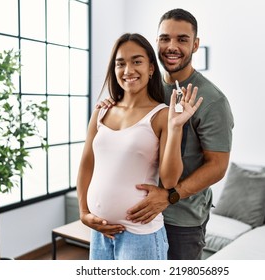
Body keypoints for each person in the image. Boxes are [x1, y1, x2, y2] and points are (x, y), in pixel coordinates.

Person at [97, 9, 234, 260]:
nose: (172, 46)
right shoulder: (147, 87)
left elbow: (218, 165)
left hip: (180, 221)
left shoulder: (212, 100)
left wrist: (170, 196)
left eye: (182, 39)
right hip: (135, 219)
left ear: (195, 45)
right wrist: (112, 106)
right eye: (165, 38)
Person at [76, 33, 203, 260]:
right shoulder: (102, 111)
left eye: (137, 61)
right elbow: (87, 164)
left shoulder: (163, 115)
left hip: (140, 235)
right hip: (100, 232)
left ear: (151, 68)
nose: (128, 70)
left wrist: (175, 128)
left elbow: (170, 180)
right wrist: (84, 212)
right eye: (120, 63)